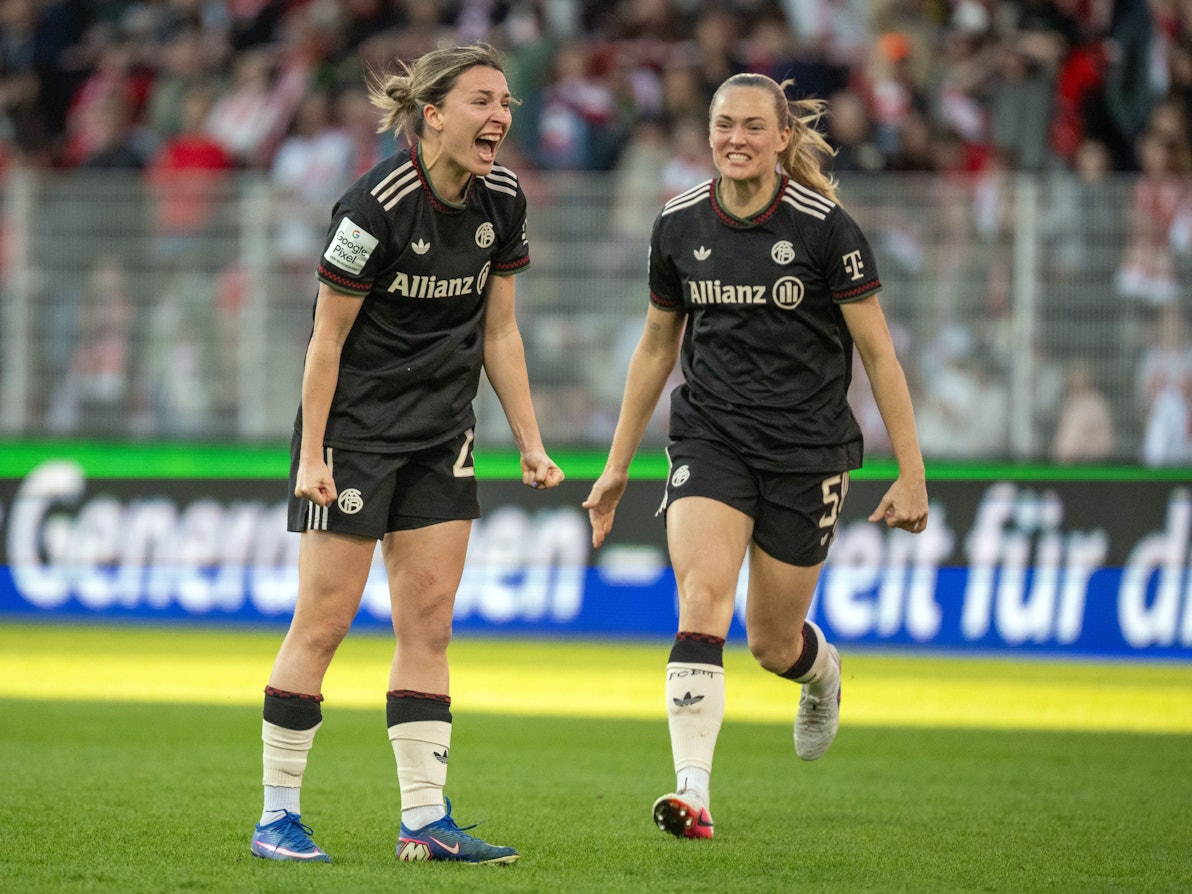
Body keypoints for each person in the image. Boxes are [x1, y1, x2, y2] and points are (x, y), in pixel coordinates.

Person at [583, 72, 928, 840]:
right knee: (702, 597)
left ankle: (820, 672)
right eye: (721, 125)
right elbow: (654, 349)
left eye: (750, 126)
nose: (734, 138)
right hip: (710, 437)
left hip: (807, 451)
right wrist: (616, 465)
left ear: (781, 139)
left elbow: (879, 353)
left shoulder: (824, 227)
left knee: (773, 641)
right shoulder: (677, 224)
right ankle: (693, 793)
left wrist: (911, 469)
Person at [249, 41, 563, 866]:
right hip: (353, 436)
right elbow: (325, 338)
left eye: (506, 103)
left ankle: (425, 819)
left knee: (429, 622)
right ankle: (276, 816)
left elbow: (500, 329)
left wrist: (529, 442)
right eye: (482, 101)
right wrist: (313, 454)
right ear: (432, 114)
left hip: (440, 433)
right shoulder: (373, 207)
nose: (499, 116)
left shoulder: (505, 201)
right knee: (323, 622)